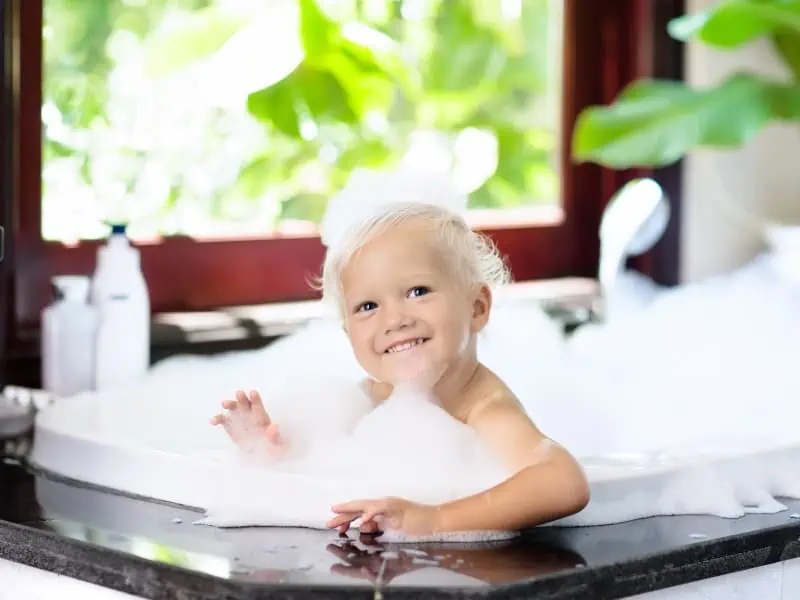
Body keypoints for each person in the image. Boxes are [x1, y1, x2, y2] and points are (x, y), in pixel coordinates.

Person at [210, 168, 590, 537]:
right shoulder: (372, 397)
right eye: (368, 307)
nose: (394, 320)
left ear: (476, 307)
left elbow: (564, 483)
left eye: (418, 291)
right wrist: (272, 450)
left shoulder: (485, 409)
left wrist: (435, 520)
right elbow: (329, 463)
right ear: (348, 334)